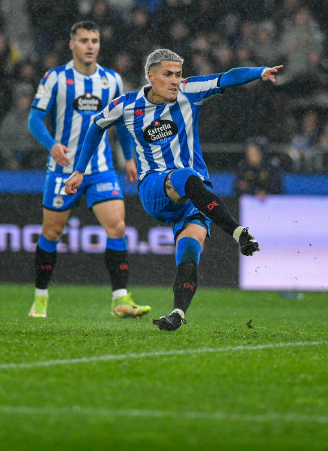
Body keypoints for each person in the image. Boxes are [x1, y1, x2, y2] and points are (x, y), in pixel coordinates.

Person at [64, 49, 282, 331]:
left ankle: (177, 313)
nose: (175, 81)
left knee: (190, 251)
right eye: (168, 75)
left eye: (178, 74)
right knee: (186, 176)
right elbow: (96, 126)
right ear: (150, 76)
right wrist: (80, 170)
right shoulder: (127, 105)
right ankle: (239, 232)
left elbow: (228, 77)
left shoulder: (190, 91)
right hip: (155, 187)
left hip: (194, 195)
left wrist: (259, 71)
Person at [26, 20, 149, 319]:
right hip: (63, 168)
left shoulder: (112, 80)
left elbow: (121, 123)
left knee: (117, 226)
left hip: (101, 168)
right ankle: (40, 297)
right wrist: (51, 145)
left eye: (94, 40)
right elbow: (34, 120)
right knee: (52, 232)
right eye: (84, 40)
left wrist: (129, 158)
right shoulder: (55, 78)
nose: (90, 45)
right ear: (72, 44)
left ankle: (120, 300)